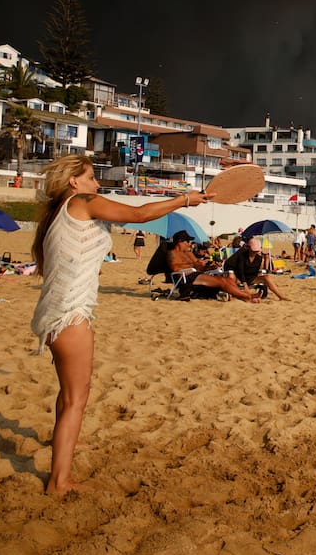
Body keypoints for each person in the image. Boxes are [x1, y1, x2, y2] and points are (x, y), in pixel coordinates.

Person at [30, 154, 213, 495]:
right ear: (75, 182)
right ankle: (59, 482)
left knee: (69, 392)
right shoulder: (82, 201)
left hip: (59, 311)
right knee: (76, 397)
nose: (96, 184)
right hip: (70, 314)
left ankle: (64, 442)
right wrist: (186, 200)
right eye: (90, 177)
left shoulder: (58, 212)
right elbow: (140, 215)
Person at [167, 231, 260, 302]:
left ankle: (243, 297)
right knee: (222, 281)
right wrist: (193, 265)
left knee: (227, 280)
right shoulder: (172, 253)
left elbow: (198, 264)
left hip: (196, 274)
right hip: (185, 277)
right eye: (187, 241)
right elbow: (175, 268)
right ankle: (248, 296)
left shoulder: (188, 253)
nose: (189, 243)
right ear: (179, 242)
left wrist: (208, 265)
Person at [223, 236, 289, 301]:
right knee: (231, 276)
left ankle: (280, 296)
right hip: (238, 276)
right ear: (248, 248)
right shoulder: (242, 256)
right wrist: (245, 284)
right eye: (253, 250)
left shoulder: (259, 258)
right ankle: (234, 294)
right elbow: (240, 271)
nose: (255, 252)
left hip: (248, 277)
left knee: (267, 277)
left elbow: (254, 272)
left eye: (256, 251)